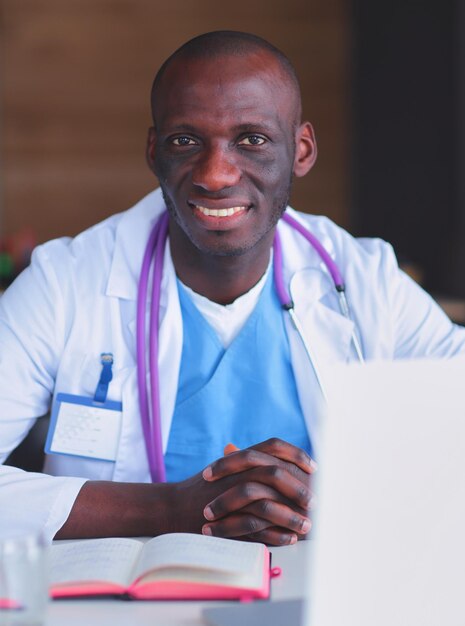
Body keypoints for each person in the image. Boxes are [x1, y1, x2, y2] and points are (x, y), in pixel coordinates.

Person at [1, 31, 464, 545]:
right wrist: (170, 510)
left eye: (252, 139)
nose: (216, 174)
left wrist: (350, 496)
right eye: (185, 140)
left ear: (302, 150)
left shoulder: (364, 279)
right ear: (154, 152)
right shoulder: (64, 283)